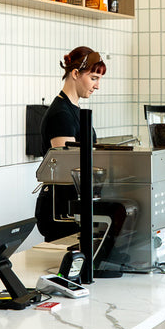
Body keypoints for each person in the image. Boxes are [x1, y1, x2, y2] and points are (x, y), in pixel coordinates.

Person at [34, 47, 106, 241]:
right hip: (62, 210)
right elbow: (67, 170)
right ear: (75, 74)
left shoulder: (74, 110)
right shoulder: (61, 115)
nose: (97, 86)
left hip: (73, 205)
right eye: (93, 78)